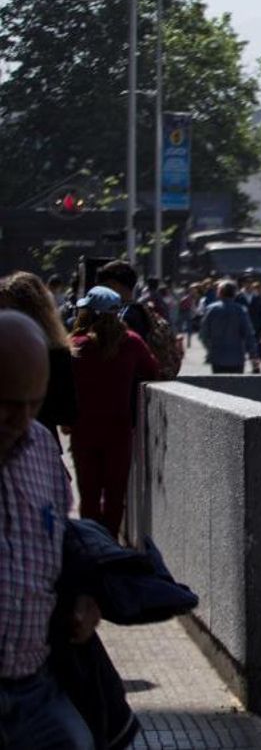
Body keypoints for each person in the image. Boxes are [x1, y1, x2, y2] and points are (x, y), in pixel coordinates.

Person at [0, 311, 100, 750]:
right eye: (6, 404)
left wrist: (85, 596)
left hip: (35, 687)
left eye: (33, 404)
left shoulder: (42, 451)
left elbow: (63, 546)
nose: (20, 419)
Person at [69, 287, 161, 538]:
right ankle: (110, 546)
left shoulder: (77, 345)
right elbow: (153, 370)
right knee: (114, 495)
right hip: (119, 432)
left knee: (88, 496)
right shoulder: (131, 342)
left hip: (83, 431)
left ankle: (91, 544)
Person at [0, 272, 78, 445]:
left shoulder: (56, 355)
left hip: (37, 445)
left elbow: (67, 413)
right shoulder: (59, 352)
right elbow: (67, 414)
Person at [199, 280, 260, 375]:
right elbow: (249, 335)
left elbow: (203, 333)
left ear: (219, 293)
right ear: (234, 294)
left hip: (217, 356)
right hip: (237, 357)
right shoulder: (241, 310)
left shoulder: (211, 310)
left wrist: (210, 349)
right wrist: (253, 356)